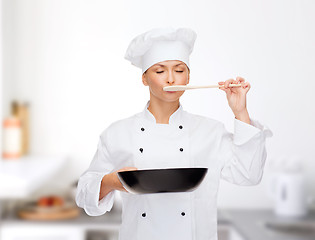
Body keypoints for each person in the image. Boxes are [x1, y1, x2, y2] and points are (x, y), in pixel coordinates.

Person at [76, 27, 273, 240]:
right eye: (160, 71)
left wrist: (240, 111)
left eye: (179, 70)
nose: (171, 79)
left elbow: (249, 175)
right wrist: (111, 182)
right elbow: (84, 195)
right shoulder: (117, 133)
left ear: (188, 76)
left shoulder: (210, 131)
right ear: (144, 78)